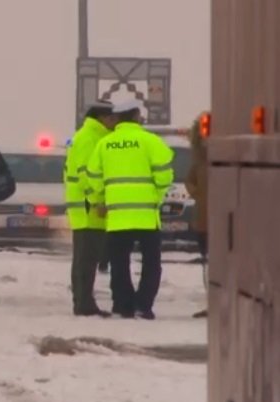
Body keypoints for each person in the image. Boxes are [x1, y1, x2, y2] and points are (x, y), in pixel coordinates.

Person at [86, 99, 174, 319]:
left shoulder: (105, 144)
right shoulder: (150, 141)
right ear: (136, 116)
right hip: (146, 215)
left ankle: (123, 305)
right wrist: (157, 195)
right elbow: (165, 174)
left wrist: (101, 198)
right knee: (151, 263)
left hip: (117, 217)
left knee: (119, 263)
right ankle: (143, 305)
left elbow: (93, 176)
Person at [64, 100, 117, 317]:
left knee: (84, 259)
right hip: (88, 209)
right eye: (112, 118)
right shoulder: (90, 138)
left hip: (83, 208)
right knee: (86, 260)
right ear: (103, 118)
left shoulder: (85, 136)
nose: (115, 122)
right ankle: (84, 304)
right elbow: (87, 174)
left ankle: (83, 301)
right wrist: (97, 201)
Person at [184, 114, 208, 318]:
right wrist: (198, 194)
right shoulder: (199, 160)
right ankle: (212, 302)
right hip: (204, 220)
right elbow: (189, 181)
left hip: (221, 221)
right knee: (207, 262)